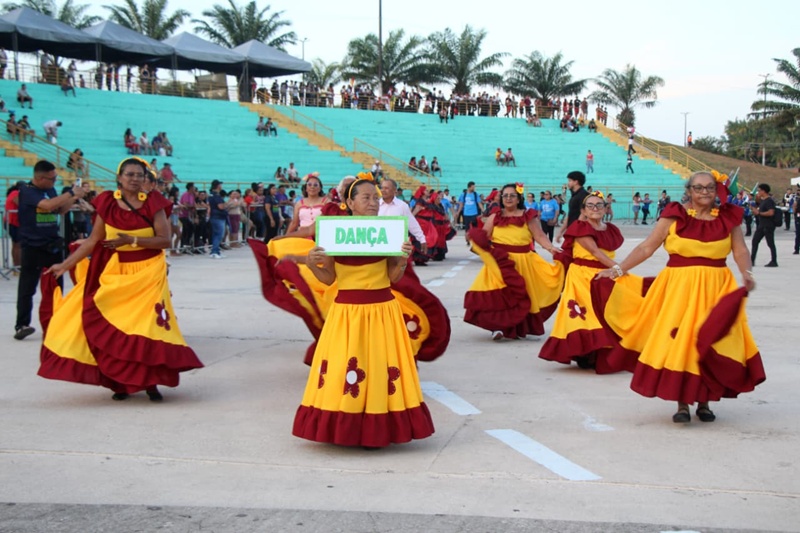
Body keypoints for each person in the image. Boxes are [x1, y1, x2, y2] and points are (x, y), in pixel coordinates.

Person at [594, 170, 765, 423]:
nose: (704, 192)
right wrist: (617, 270)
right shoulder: (673, 215)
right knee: (680, 341)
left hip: (715, 288)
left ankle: (704, 402)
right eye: (698, 187)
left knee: (710, 340)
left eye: (709, 187)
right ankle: (682, 404)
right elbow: (647, 247)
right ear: (689, 191)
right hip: (678, 289)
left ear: (716, 190)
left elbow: (740, 250)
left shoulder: (729, 218)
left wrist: (746, 272)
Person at [38, 157, 203, 400]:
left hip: (148, 273)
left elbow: (165, 240)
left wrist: (132, 240)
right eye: (130, 174)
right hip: (116, 274)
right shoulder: (107, 202)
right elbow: (93, 241)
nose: (135, 179)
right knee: (115, 327)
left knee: (146, 328)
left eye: (140, 175)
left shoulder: (154, 202)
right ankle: (121, 383)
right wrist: (64, 265)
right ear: (119, 177)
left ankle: (150, 383)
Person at [292, 175, 435, 447]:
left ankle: (378, 428)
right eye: (366, 198)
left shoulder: (389, 232)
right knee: (346, 368)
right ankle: (345, 427)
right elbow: (329, 278)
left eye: (376, 198)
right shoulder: (334, 232)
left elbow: (393, 277)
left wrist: (402, 260)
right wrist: (311, 264)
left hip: (382, 311)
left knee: (380, 368)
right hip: (346, 313)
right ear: (350, 203)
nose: (373, 203)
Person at [539, 192, 636, 371]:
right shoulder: (581, 228)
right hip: (582, 277)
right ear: (583, 210)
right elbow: (596, 253)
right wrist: (621, 270)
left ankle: (603, 353)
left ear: (605, 208)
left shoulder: (610, 228)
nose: (595, 208)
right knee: (588, 314)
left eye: (599, 205)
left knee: (611, 313)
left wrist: (617, 271)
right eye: (590, 205)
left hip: (606, 274)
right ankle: (587, 353)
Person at [464, 183, 563, 340]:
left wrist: (551, 248)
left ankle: (516, 327)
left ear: (518, 199)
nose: (508, 198)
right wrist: (475, 240)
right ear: (501, 199)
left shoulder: (528, 216)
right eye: (505, 196)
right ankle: (497, 327)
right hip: (499, 262)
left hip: (522, 262)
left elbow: (539, 235)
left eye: (512, 196)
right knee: (498, 294)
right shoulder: (495, 216)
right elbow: (484, 234)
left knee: (519, 296)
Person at [14, 161, 87, 340]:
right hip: (33, 246)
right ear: (40, 178)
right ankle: (22, 324)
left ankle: (55, 322)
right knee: (27, 287)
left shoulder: (51, 190)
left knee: (55, 287)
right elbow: (46, 205)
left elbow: (59, 210)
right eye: (52, 179)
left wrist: (73, 198)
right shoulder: (27, 191)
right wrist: (70, 193)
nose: (55, 181)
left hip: (51, 244)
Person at [380, 178, 427, 261]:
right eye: (382, 188)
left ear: (394, 190)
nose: (383, 190)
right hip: (379, 245)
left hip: (397, 247)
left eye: (386, 188)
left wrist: (422, 239)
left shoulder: (402, 206)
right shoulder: (375, 205)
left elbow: (412, 224)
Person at [555, 171, 589, 243]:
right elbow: (570, 215)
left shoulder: (584, 195)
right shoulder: (574, 196)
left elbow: (583, 214)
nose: (568, 183)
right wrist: (561, 232)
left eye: (570, 180)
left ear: (576, 182)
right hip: (573, 230)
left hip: (580, 233)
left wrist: (575, 230)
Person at [750, 183, 778, 267]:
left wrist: (759, 213)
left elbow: (771, 212)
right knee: (755, 241)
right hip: (762, 225)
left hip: (768, 225)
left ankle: (774, 261)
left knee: (770, 243)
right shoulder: (763, 200)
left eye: (759, 190)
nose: (758, 192)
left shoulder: (769, 201)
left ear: (763, 191)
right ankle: (751, 260)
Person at [4, 181, 25, 272]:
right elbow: (21, 204)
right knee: (18, 245)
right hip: (13, 222)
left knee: (16, 245)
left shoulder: (13, 193)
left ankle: (16, 266)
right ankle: (18, 266)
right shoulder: (15, 193)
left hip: (12, 222)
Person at [208, 179, 228, 259]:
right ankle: (214, 251)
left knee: (216, 234)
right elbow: (221, 206)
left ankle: (216, 251)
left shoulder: (211, 195)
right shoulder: (216, 196)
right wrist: (227, 205)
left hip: (214, 216)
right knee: (219, 234)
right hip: (218, 217)